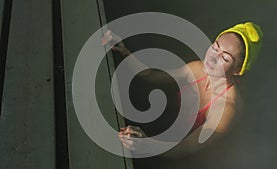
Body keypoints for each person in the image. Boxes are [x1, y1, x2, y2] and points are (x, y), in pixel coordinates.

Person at [102, 22, 263, 157]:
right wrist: (125, 52)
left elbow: (188, 147)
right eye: (215, 47)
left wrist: (148, 144)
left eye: (225, 58)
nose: (212, 57)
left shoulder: (226, 108)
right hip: (169, 125)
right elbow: (152, 76)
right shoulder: (198, 69)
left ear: (237, 70)